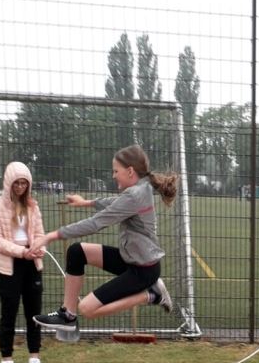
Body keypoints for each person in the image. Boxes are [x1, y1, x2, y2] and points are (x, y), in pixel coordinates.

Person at [31, 145, 176, 340]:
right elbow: (116, 202)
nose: (113, 175)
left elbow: (95, 223)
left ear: (130, 171)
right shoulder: (140, 189)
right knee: (76, 252)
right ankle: (67, 316)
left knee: (87, 309)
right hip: (131, 260)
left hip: (143, 271)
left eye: (116, 171)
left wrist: (50, 236)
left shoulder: (136, 194)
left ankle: (152, 295)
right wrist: (86, 202)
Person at [0, 161, 47, 363]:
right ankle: (7, 359)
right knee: (9, 313)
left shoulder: (33, 206)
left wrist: (39, 248)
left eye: (24, 183)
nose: (20, 187)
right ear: (8, 183)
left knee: (34, 313)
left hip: (32, 264)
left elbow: (40, 234)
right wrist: (22, 252)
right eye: (16, 183)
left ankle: (34, 357)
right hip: (8, 266)